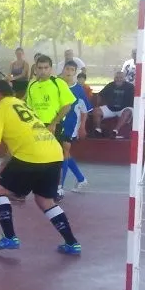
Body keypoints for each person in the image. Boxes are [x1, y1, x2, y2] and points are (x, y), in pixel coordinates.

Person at [0, 79, 82, 255]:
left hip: (31, 156)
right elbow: (22, 140)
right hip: (53, 153)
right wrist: (3, 167)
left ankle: (9, 237)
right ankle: (72, 243)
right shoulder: (21, 105)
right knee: (45, 200)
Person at [57, 60, 92, 197]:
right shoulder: (57, 85)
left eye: (72, 70)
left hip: (71, 124)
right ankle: (81, 179)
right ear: (63, 69)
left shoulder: (79, 90)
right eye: (67, 69)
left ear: (75, 72)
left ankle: (60, 187)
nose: (69, 72)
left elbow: (85, 110)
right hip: (57, 122)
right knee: (64, 153)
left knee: (63, 152)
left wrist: (82, 127)